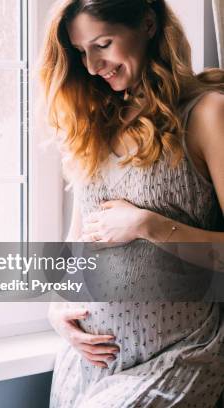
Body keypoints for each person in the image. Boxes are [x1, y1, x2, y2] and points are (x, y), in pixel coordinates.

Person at [38, 0, 224, 406]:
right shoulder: (94, 125)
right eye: (80, 51)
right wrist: (58, 308)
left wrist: (149, 225)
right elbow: (77, 244)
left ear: (148, 23)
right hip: (87, 363)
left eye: (102, 43)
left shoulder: (207, 114)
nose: (91, 65)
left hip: (177, 354)